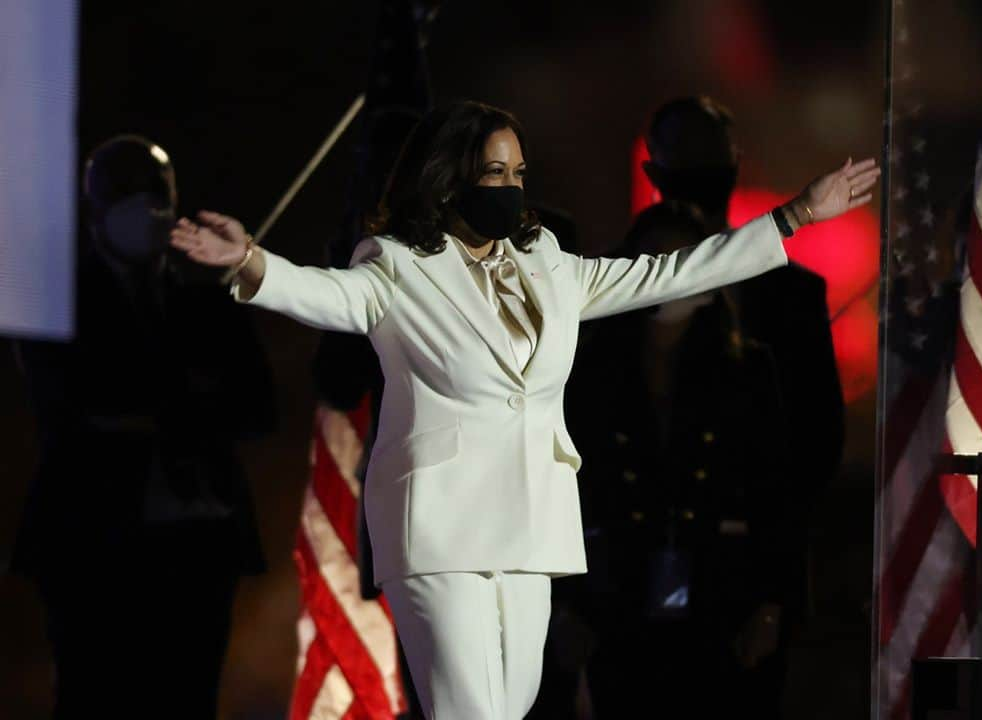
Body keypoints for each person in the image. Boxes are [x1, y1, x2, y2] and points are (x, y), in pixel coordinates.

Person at [169, 99, 879, 720]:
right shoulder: (396, 265)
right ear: (449, 179)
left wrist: (797, 215)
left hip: (532, 529)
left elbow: (671, 271)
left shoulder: (548, 264)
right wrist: (249, 263)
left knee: (509, 712)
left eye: (519, 174)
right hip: (441, 531)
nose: (512, 188)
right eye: (494, 174)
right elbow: (327, 296)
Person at [11, 134, 275, 717]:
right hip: (96, 542)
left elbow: (258, 407)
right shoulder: (58, 300)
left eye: (154, 192)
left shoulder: (202, 296)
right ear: (94, 207)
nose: (143, 207)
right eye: (124, 193)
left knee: (189, 699)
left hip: (197, 544)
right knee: (94, 697)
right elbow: (77, 407)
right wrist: (190, 399)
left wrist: (172, 395)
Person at [644, 95, 846, 692]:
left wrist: (771, 594)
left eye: (706, 158)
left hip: (743, 580)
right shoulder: (612, 293)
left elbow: (813, 445)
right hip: (631, 582)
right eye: (687, 159)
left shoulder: (787, 295)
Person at [564, 202, 791, 717]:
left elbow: (775, 489)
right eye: (652, 261)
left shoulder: (745, 368)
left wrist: (772, 603)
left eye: (681, 261)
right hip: (615, 595)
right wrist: (561, 606)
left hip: (720, 597)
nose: (667, 276)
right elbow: (567, 489)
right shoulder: (591, 367)